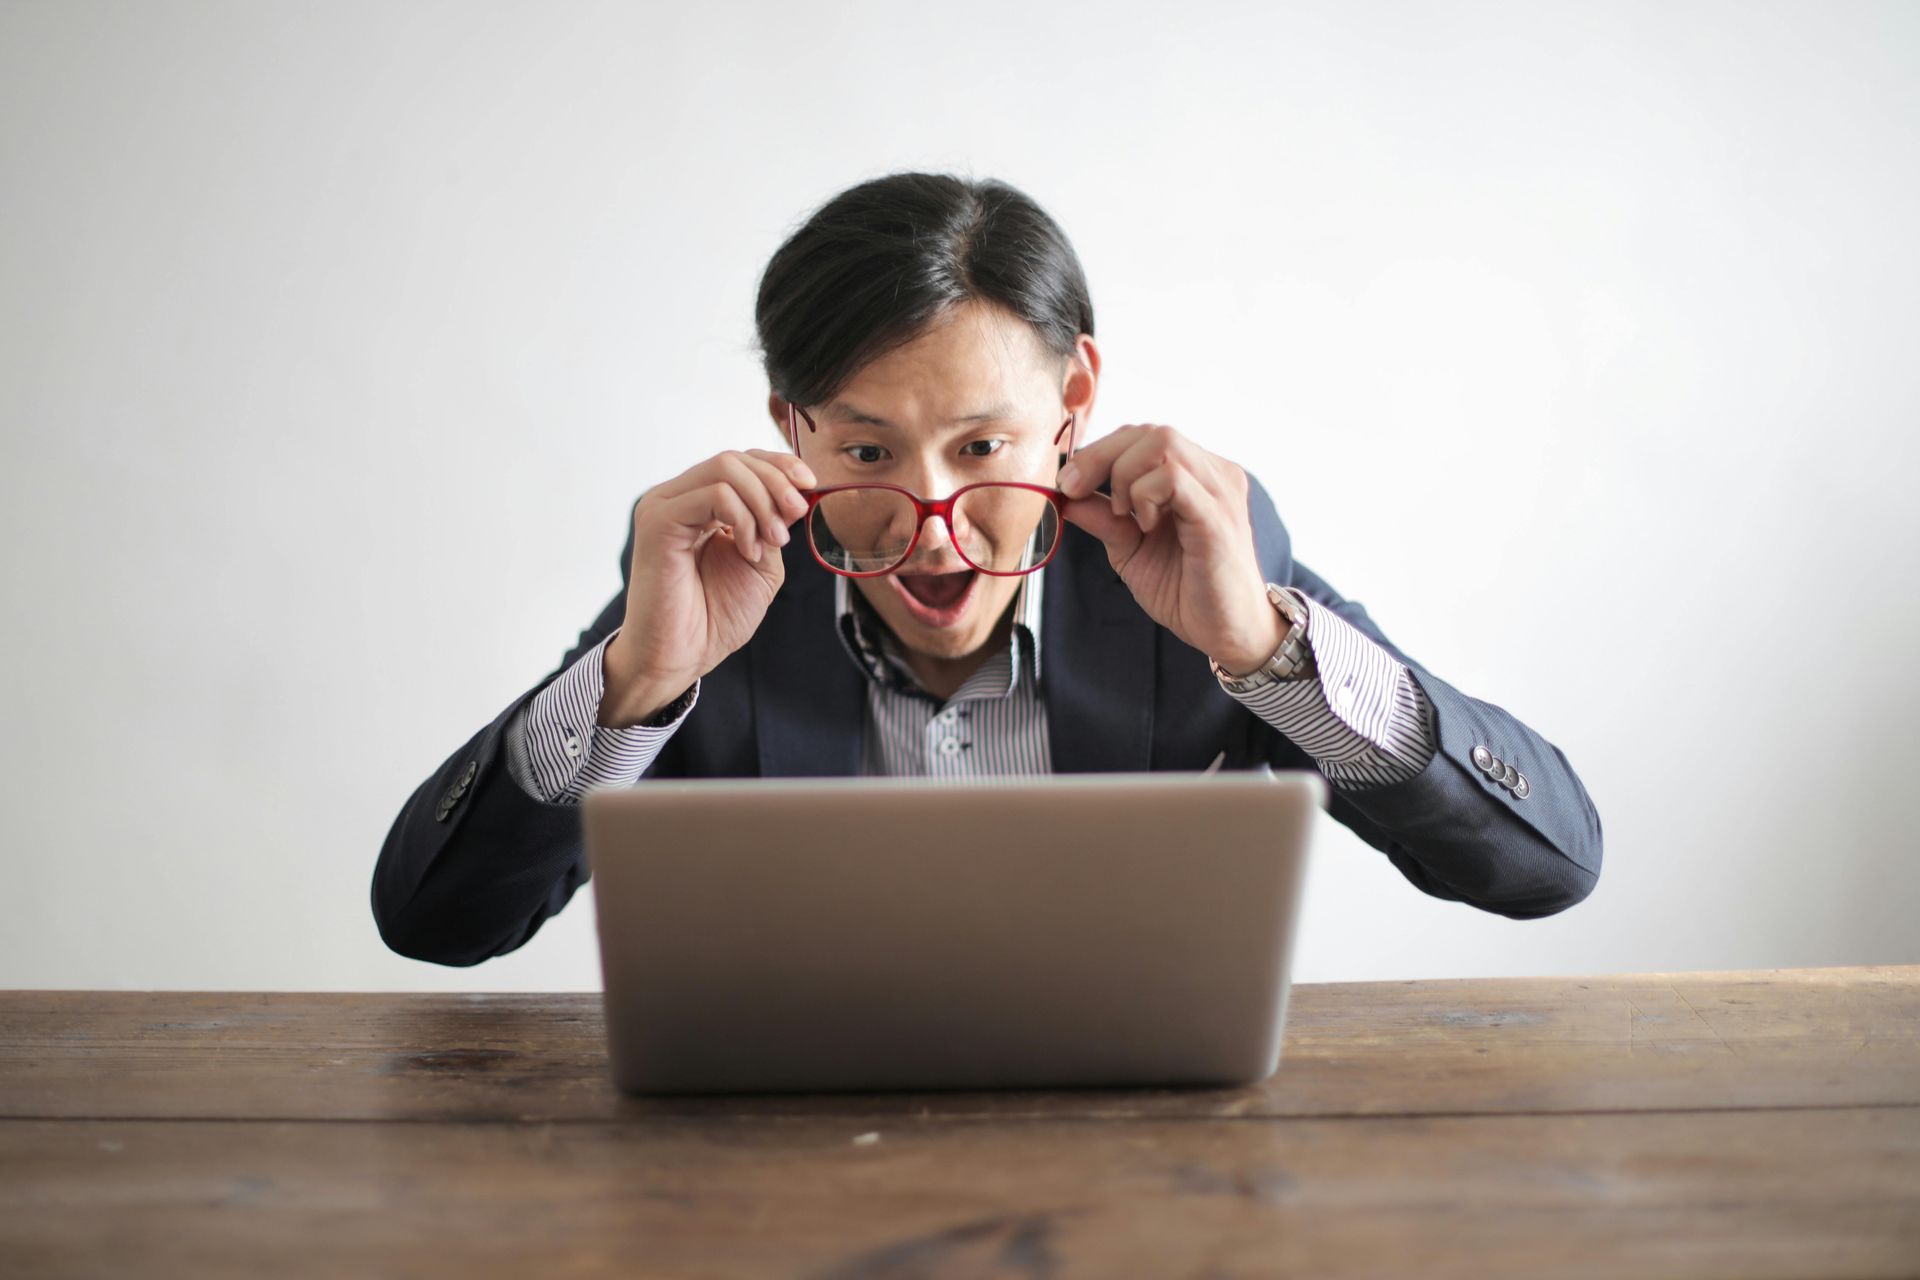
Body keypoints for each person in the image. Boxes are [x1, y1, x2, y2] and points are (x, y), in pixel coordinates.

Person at [372, 171, 1602, 968]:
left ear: (1072, 404)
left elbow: (1547, 867)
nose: (934, 521)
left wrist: (1266, 653)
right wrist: (634, 684)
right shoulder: (721, 585)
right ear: (789, 427)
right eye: (865, 449)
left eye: (982, 447)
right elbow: (435, 922)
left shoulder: (1199, 559)